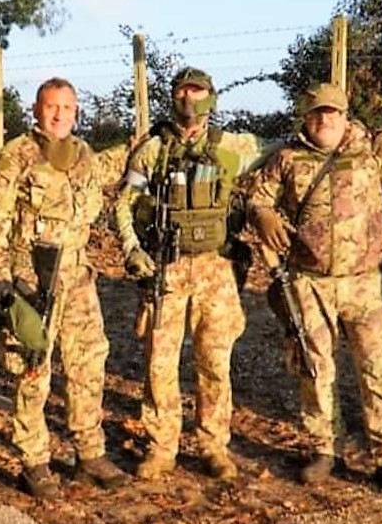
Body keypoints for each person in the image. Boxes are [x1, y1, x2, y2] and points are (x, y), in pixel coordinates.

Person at [248, 82, 382, 494]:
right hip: (309, 282)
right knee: (315, 367)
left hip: (366, 283)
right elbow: (257, 198)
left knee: (380, 367)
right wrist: (263, 216)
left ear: (345, 116)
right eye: (316, 113)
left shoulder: (373, 157)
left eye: (331, 112)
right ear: (305, 117)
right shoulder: (287, 159)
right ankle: (323, 447)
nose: (323, 119)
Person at [0, 76, 132, 500]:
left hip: (78, 277)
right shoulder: (17, 155)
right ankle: (34, 461)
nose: (59, 115)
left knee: (88, 364)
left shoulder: (84, 155)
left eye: (67, 107)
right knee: (32, 368)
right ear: (36, 110)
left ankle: (89, 454)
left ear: (76, 112)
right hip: (32, 278)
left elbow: (113, 174)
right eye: (51, 107)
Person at [113, 67, 270, 482]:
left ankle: (213, 446)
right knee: (159, 364)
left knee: (215, 362)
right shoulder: (152, 151)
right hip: (167, 267)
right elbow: (124, 204)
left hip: (216, 269)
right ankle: (161, 447)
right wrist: (132, 248)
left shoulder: (231, 147)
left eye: (196, 91)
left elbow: (282, 152)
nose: (189, 99)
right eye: (182, 91)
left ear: (210, 98)